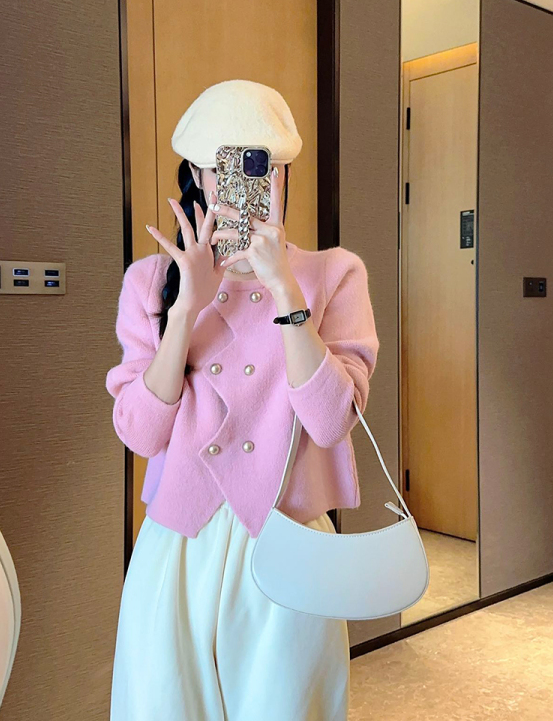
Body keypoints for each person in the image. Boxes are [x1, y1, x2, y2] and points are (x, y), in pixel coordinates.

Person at [106, 79, 380, 720]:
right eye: (222, 166)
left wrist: (285, 291)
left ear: (283, 175)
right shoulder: (151, 280)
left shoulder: (334, 272)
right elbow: (140, 434)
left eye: (261, 166)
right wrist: (185, 310)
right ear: (197, 175)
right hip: (179, 548)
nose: (240, 185)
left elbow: (331, 421)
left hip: (290, 543)